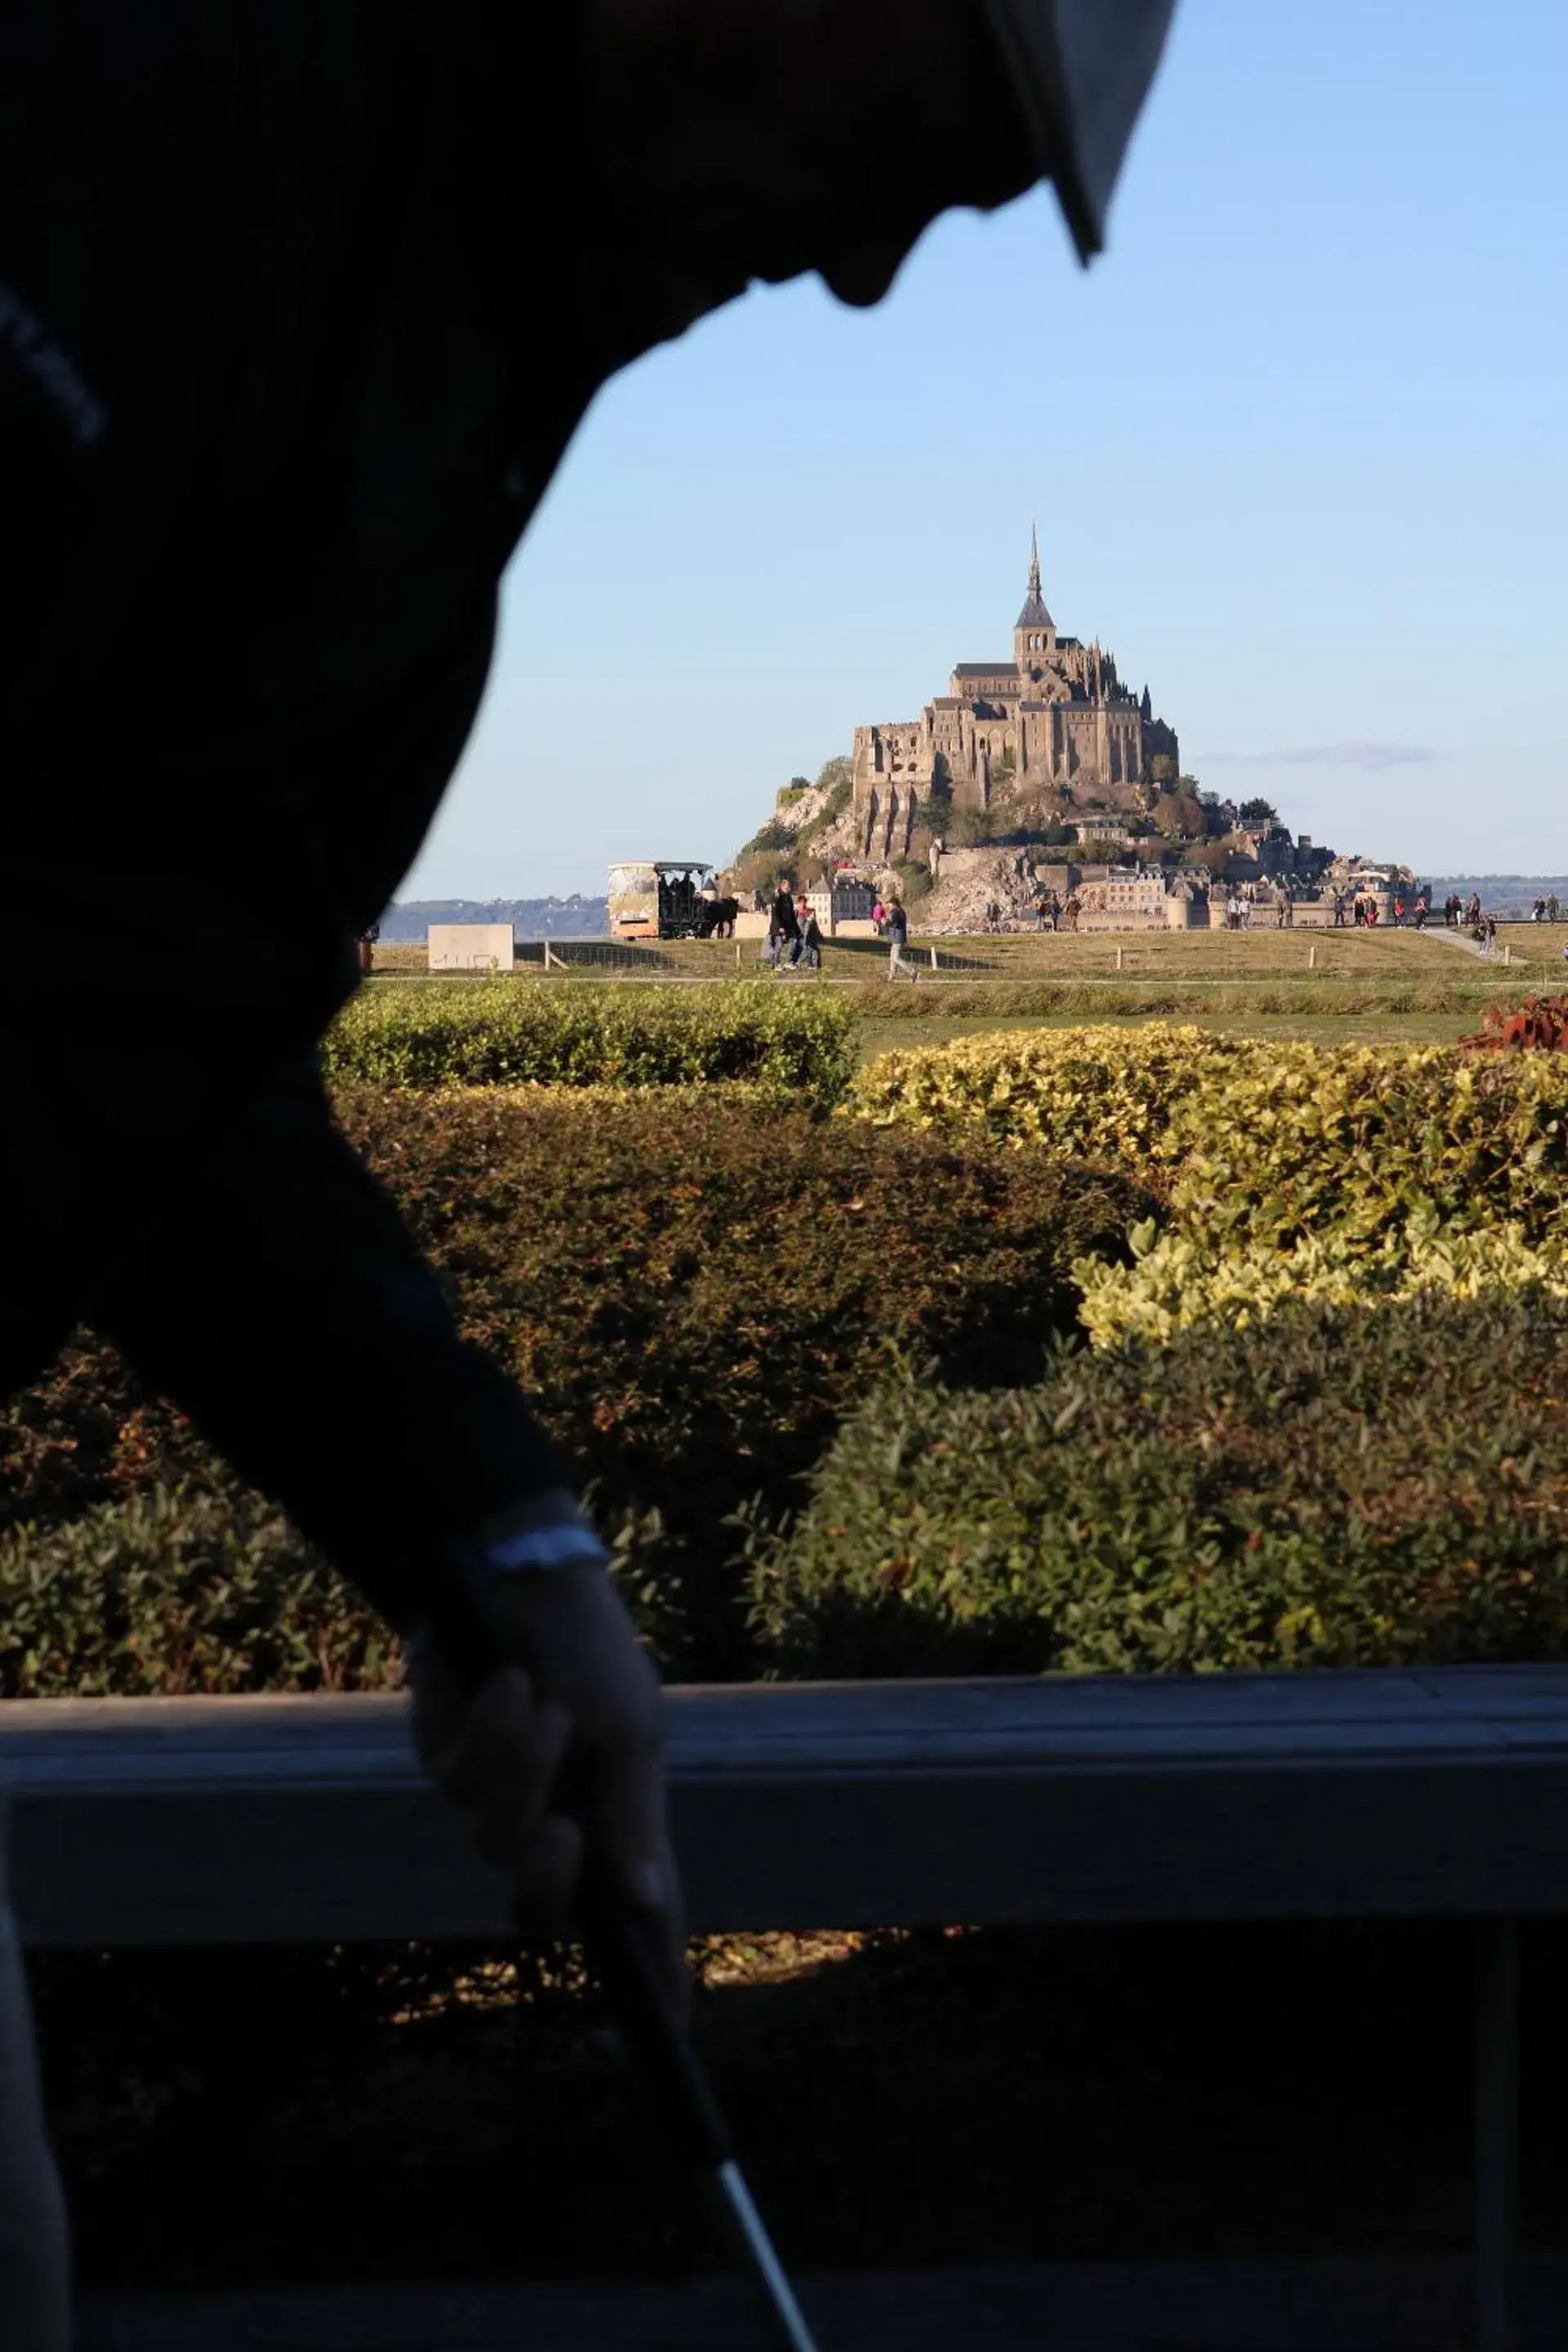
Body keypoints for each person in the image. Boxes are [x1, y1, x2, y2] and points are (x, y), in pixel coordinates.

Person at [0, 2, 1176, 2336]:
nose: (859, 272)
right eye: (919, 139)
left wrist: (486, 1525)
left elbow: (154, 998)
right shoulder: (151, 110)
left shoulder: (447, 316)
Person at [885, 896, 917, 979]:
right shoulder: (901, 911)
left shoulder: (894, 912)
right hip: (900, 938)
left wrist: (886, 922)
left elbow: (894, 924)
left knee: (896, 958)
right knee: (892, 958)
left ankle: (912, 971)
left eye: (889, 904)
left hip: (897, 938)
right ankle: (891, 977)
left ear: (893, 904)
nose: (889, 906)